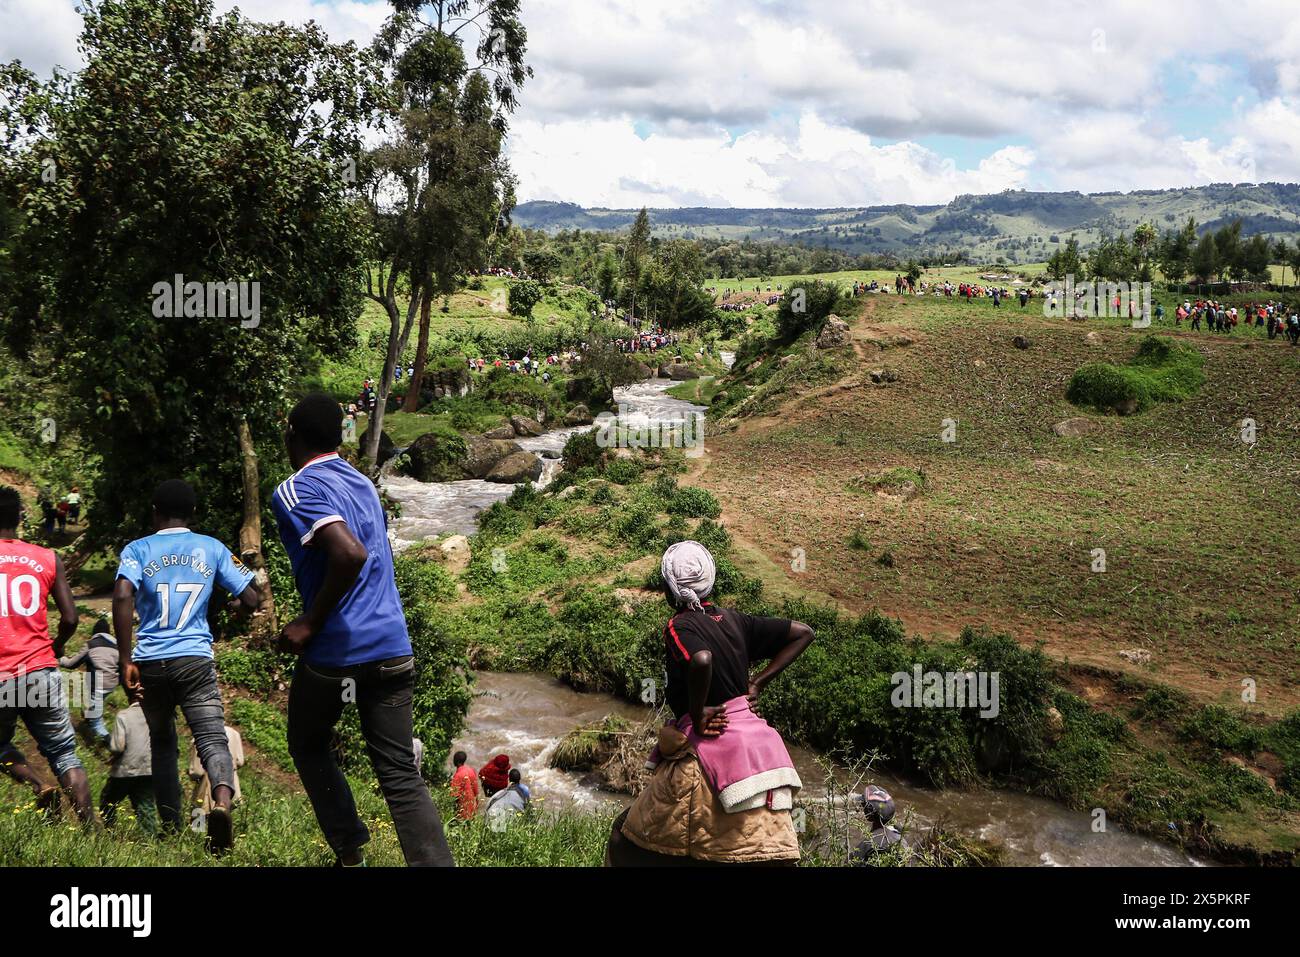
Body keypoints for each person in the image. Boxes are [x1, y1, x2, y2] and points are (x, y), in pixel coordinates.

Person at [273, 392, 454, 867]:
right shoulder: (363, 483)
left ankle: (350, 851)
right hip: (394, 648)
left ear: (292, 436)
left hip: (339, 653)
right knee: (399, 772)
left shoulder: (294, 489)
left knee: (307, 743)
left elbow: (348, 553)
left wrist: (309, 621)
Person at [608, 540, 815, 866]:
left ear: (669, 588)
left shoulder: (680, 625)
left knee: (624, 835)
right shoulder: (736, 620)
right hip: (761, 749)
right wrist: (756, 682)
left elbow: (701, 659)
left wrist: (697, 711)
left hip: (708, 747)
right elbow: (803, 633)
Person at [113, 479, 260, 852]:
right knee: (211, 737)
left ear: (154, 513)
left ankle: (171, 827)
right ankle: (222, 806)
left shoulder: (138, 549)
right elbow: (251, 596)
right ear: (193, 514)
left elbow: (122, 594)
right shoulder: (211, 548)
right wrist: (237, 610)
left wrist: (126, 659)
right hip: (194, 659)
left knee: (163, 743)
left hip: (151, 662)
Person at [0, 485, 93, 822]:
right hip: (40, 668)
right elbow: (70, 618)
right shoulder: (46, 557)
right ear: (19, 518)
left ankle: (39, 786)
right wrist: (54, 647)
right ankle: (90, 831)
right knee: (65, 754)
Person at [59, 616, 119, 745]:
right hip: (112, 685)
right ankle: (89, 716)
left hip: (98, 686)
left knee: (96, 723)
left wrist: (60, 659)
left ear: (94, 632)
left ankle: (114, 747)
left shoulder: (91, 645)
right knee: (92, 702)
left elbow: (72, 664)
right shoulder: (116, 646)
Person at [99, 700, 156, 835]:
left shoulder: (124, 715)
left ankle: (109, 832)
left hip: (125, 769)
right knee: (146, 807)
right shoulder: (156, 715)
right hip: (149, 769)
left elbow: (117, 747)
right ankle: (150, 840)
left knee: (109, 801)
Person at [188, 723, 244, 821]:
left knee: (199, 817)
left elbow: (197, 771)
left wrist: (191, 775)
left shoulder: (200, 736)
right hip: (231, 779)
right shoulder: (234, 734)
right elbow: (240, 761)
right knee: (228, 817)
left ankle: (198, 836)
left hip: (207, 783)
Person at [850, 785, 908, 863]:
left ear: (869, 813)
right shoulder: (901, 840)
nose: (862, 807)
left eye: (864, 805)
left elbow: (850, 862)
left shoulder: (866, 845)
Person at [449, 750, 479, 819]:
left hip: (463, 809)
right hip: (472, 806)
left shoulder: (457, 775)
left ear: (455, 760)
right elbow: (475, 788)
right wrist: (477, 802)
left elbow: (453, 795)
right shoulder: (471, 770)